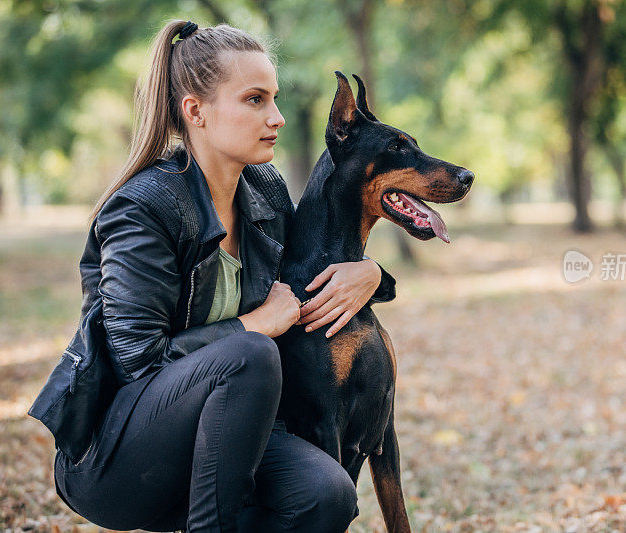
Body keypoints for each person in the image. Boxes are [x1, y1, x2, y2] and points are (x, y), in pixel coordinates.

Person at [49, 20, 397, 532]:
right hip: (116, 456)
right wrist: (255, 325)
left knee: (327, 495)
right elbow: (137, 364)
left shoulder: (265, 192)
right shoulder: (143, 209)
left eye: (275, 99)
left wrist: (373, 275)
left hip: (229, 437)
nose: (276, 117)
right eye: (255, 99)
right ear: (196, 111)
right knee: (250, 354)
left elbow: (316, 263)